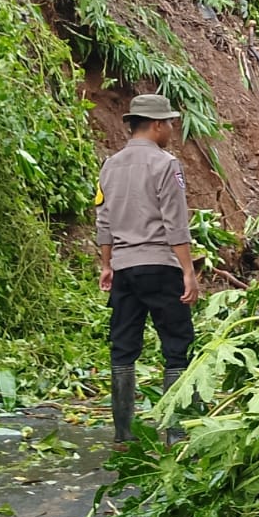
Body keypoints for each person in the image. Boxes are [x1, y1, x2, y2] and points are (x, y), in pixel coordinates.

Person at [95, 93, 201, 444]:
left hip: (124, 269)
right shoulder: (166, 164)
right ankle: (175, 431)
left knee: (123, 348)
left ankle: (123, 433)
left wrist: (107, 264)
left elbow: (104, 220)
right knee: (177, 344)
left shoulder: (110, 165)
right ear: (156, 125)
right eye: (169, 123)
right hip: (159, 265)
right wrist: (187, 270)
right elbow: (175, 222)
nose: (171, 129)